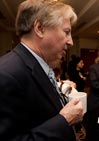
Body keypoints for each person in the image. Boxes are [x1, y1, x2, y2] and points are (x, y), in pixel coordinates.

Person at [0, 0, 83, 141]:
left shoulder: (38, 65)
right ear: (39, 28)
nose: (71, 42)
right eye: (66, 32)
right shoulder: (6, 74)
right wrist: (64, 120)